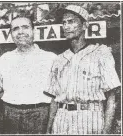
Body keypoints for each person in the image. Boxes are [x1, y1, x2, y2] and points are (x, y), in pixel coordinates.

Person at [44, 5, 121, 134]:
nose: (66, 26)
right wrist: (48, 130)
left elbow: (111, 98)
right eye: (64, 22)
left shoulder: (101, 53)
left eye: (71, 21)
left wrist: (106, 131)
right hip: (62, 118)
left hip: (90, 117)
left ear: (85, 25)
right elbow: (54, 99)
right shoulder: (59, 59)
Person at [0, 16, 57, 134]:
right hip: (10, 115)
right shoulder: (5, 58)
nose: (21, 32)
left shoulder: (50, 58)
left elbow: (56, 96)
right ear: (11, 34)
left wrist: (50, 124)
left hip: (40, 115)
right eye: (15, 29)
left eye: (25, 27)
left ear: (34, 31)